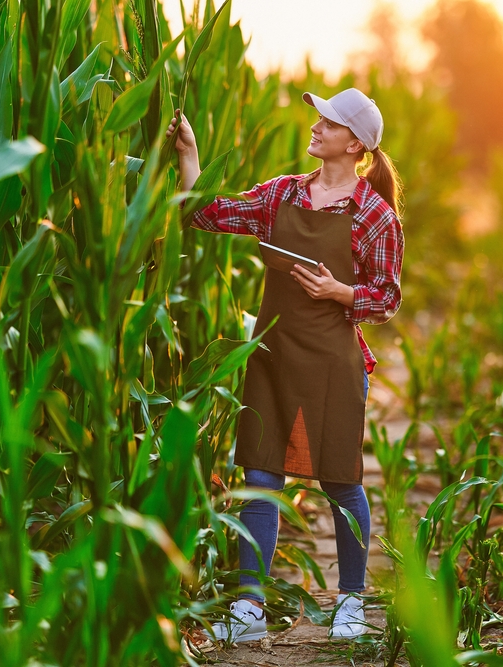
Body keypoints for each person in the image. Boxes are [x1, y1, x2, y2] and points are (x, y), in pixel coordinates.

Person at [166, 88, 404, 642]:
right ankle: (248, 608)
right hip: (272, 353)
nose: (316, 126)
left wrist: (340, 291)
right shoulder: (281, 194)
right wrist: (189, 156)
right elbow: (208, 212)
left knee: (341, 479)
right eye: (318, 117)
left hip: (333, 363)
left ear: (356, 144)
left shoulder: (373, 215)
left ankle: (350, 601)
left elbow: (387, 298)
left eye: (330, 122)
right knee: (260, 473)